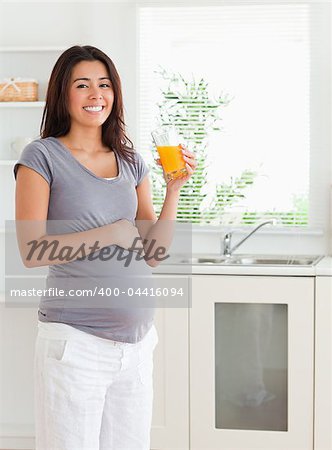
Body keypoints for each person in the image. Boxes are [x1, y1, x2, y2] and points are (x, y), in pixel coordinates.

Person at [14, 45, 196, 450]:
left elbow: (153, 252)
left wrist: (174, 190)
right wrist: (111, 234)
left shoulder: (131, 161)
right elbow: (31, 251)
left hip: (136, 346)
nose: (96, 94)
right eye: (83, 85)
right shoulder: (41, 156)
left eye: (105, 84)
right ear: (63, 93)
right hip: (75, 344)